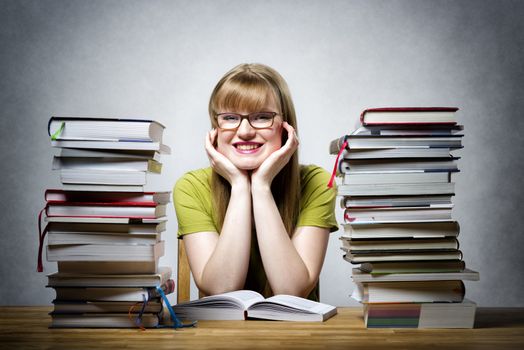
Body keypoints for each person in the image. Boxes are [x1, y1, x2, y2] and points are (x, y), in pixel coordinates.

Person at [173, 63, 337, 301]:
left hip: (295, 335)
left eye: (262, 117)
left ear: (286, 126)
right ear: (215, 128)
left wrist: (261, 186)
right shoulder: (190, 187)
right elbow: (221, 291)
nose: (246, 131)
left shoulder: (317, 183)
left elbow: (291, 292)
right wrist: (240, 187)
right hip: (219, 336)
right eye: (229, 117)